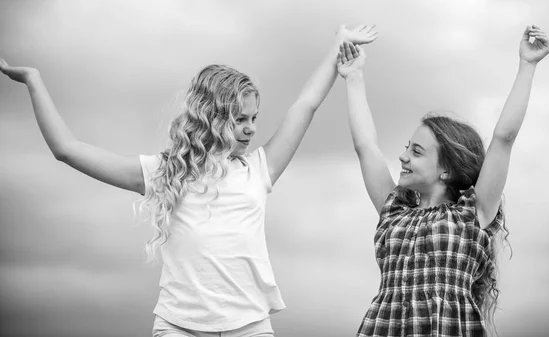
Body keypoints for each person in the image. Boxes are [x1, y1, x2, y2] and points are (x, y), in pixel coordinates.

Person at [0, 24, 378, 337]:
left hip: (249, 326)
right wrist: (33, 80)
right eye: (240, 119)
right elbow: (67, 149)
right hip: (178, 327)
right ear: (211, 117)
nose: (251, 129)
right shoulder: (166, 172)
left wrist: (337, 47)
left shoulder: (258, 168)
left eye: (254, 118)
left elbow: (305, 105)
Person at [336, 25, 549, 336]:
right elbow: (366, 146)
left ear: (446, 170)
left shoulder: (471, 214)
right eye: (407, 147)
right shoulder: (394, 210)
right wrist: (354, 77)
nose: (403, 157)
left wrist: (527, 65)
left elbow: (503, 138)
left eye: (417, 152)